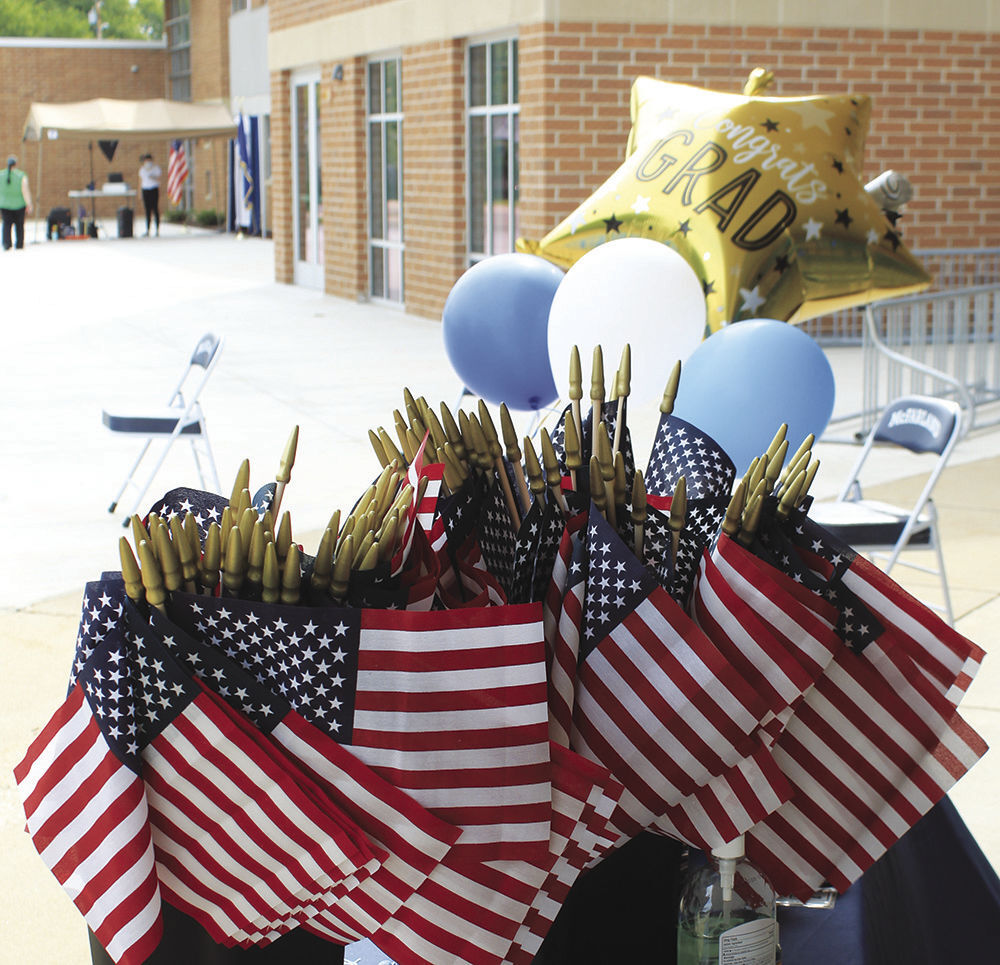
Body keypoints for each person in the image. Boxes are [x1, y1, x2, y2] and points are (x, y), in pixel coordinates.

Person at [1, 154, 33, 250]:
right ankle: (19, 244)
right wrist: (29, 204)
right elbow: (25, 191)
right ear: (16, 164)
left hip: (5, 205)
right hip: (19, 205)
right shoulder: (21, 175)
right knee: (19, 225)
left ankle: (6, 244)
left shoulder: (1, 175)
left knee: (6, 224)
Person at [138, 153, 162, 237]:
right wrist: (140, 193)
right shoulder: (142, 169)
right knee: (147, 211)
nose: (147, 162)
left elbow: (159, 179)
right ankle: (147, 230)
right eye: (146, 160)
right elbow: (140, 181)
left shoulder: (156, 168)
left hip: (154, 189)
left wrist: (153, 177)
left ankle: (157, 229)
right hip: (145, 190)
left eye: (149, 160)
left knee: (155, 209)